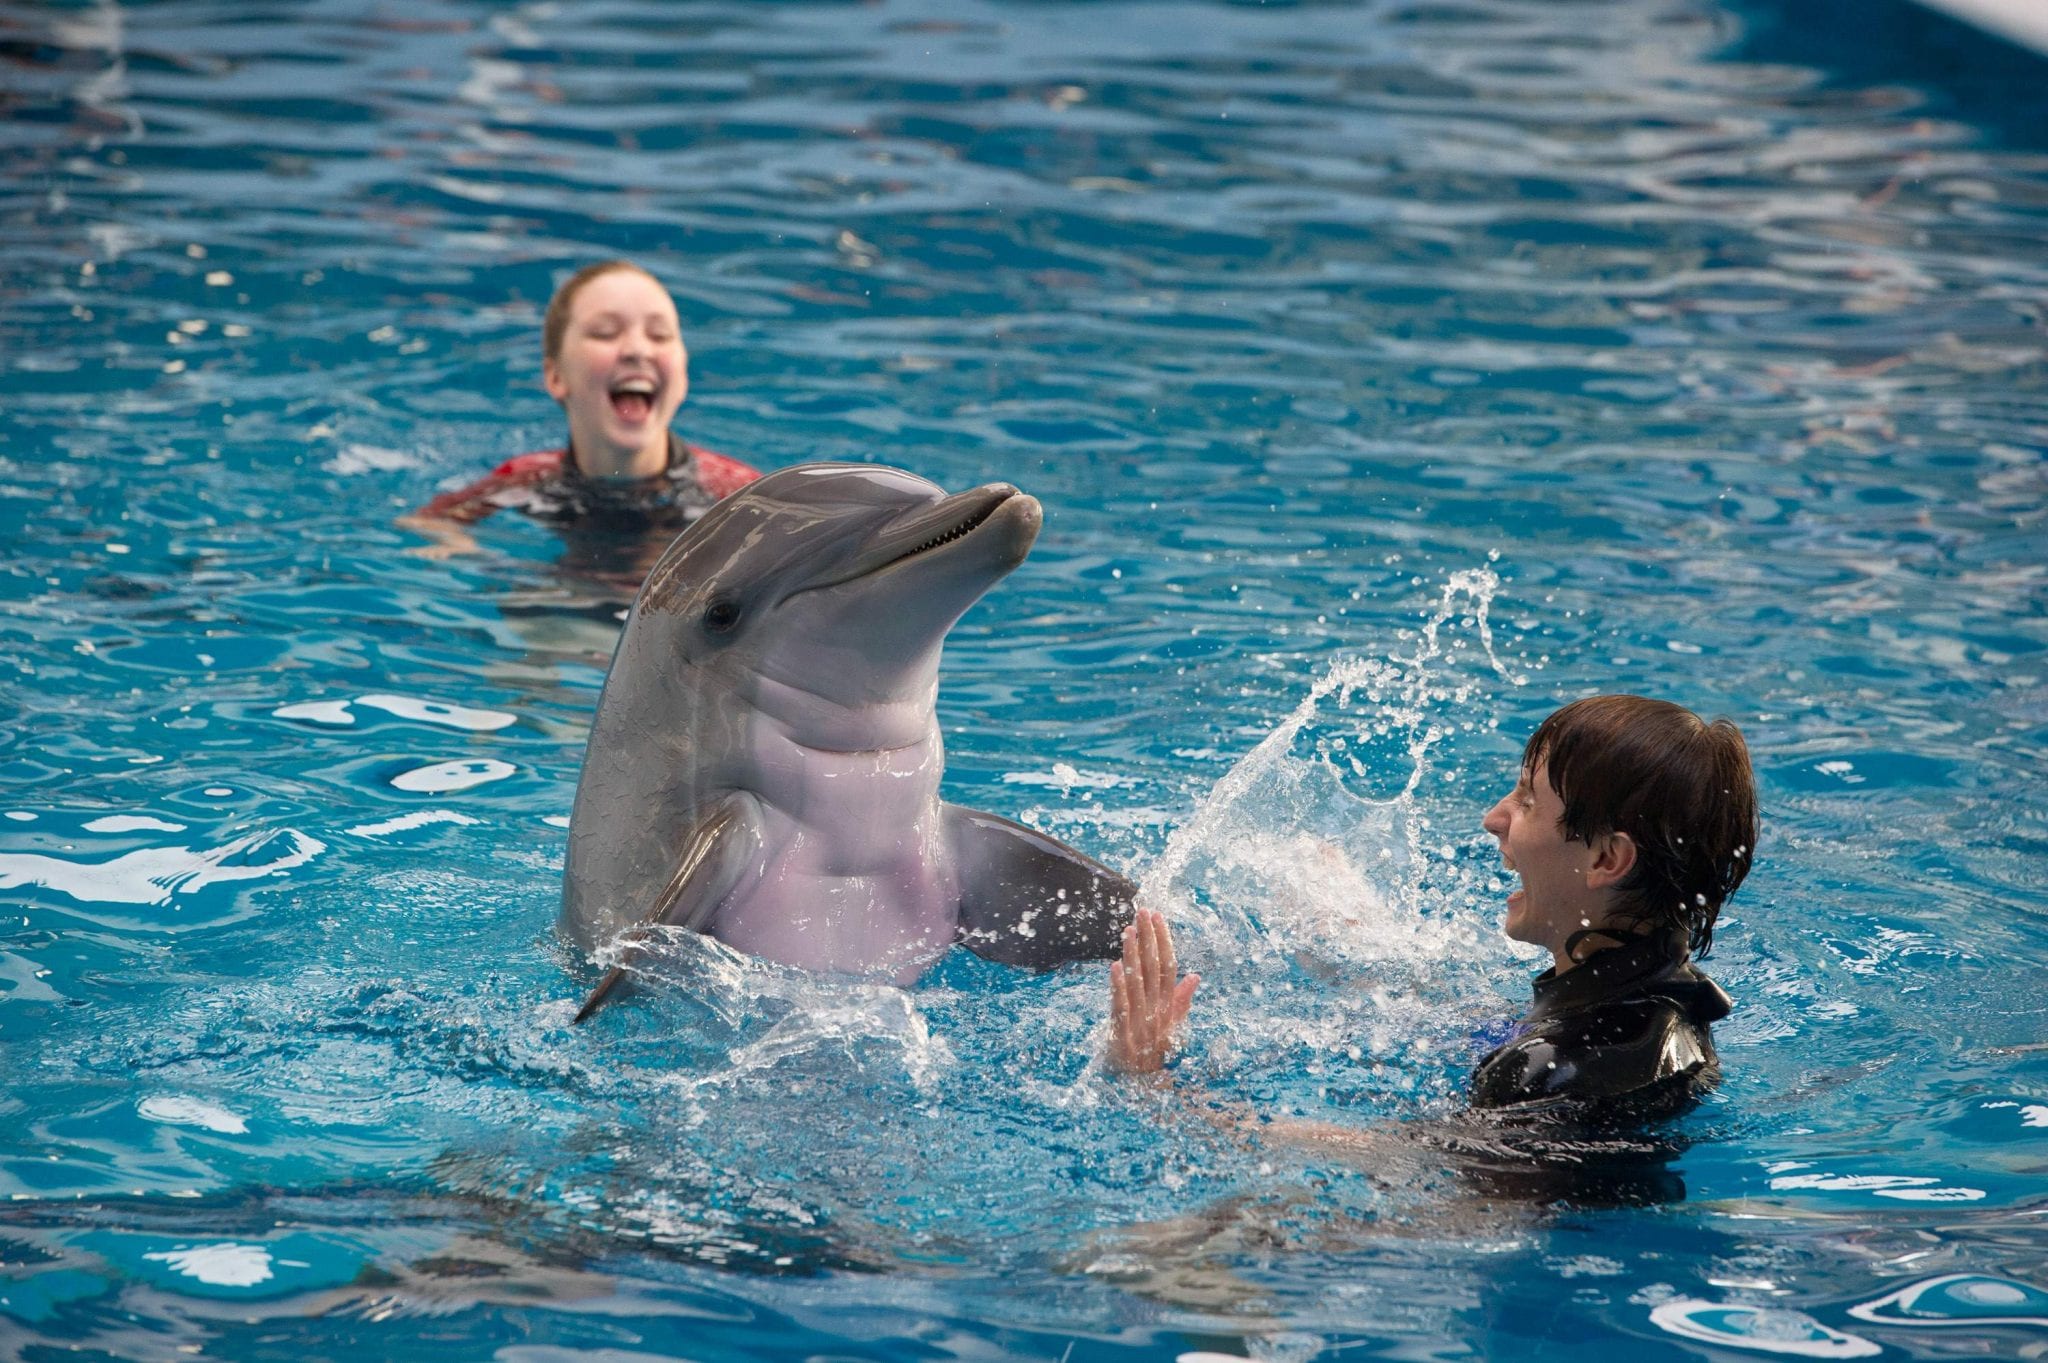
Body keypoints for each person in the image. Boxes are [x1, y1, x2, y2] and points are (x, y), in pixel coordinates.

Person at [1108, 694, 1758, 1163]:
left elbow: (1418, 1176)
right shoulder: (1656, 1005)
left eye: (1527, 801)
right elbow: (1497, 1036)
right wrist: (1355, 949)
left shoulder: (1557, 1069)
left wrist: (1158, 1090)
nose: (1494, 817)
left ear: (1606, 860)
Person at [399, 260, 760, 574]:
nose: (637, 350)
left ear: (683, 379)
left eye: (659, 334)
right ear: (556, 377)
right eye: (605, 333)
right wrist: (464, 550)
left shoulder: (737, 494)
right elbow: (426, 522)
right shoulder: (529, 477)